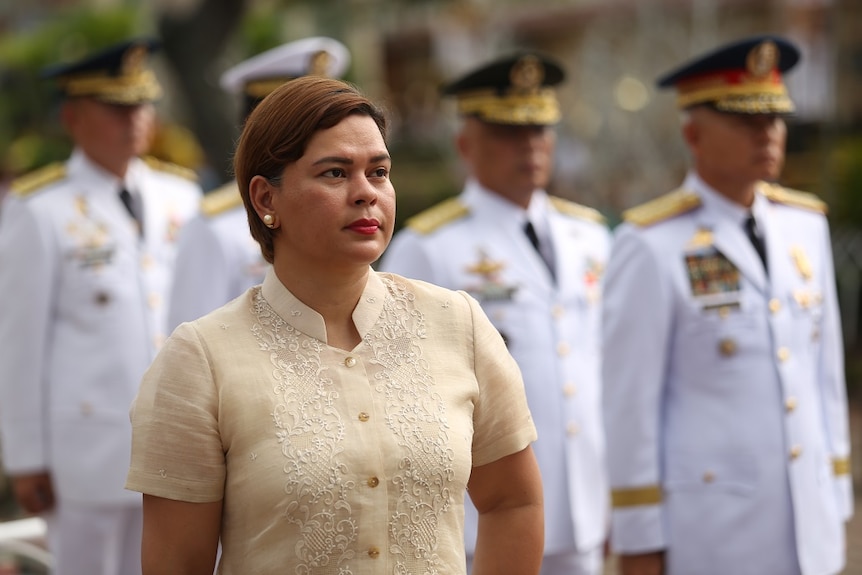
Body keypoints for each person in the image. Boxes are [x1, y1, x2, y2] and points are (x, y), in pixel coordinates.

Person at [125, 75, 544, 575]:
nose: (366, 193)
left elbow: (512, 502)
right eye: (335, 173)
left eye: (380, 172)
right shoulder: (201, 358)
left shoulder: (457, 322)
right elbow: (177, 564)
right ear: (266, 199)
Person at [602, 35, 854, 575]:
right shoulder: (649, 243)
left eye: (775, 117)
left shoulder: (805, 226)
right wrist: (640, 537)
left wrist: (836, 495)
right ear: (693, 133)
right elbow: (630, 408)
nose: (768, 133)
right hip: (710, 533)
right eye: (746, 119)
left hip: (807, 522)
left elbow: (824, 376)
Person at [380, 52, 611, 575]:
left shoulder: (591, 237)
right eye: (509, 133)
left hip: (582, 502)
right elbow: (402, 392)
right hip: (479, 512)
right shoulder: (431, 246)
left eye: (540, 131)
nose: (529, 146)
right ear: (466, 144)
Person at [0, 39, 201, 575]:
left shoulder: (182, 197)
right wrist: (25, 457)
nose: (134, 120)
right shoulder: (40, 210)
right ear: (72, 117)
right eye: (117, 108)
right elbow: (19, 343)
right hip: (88, 452)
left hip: (181, 441)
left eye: (141, 105)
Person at [167, 36, 351, 331]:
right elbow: (190, 347)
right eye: (305, 124)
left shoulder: (349, 210)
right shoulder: (215, 228)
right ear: (260, 129)